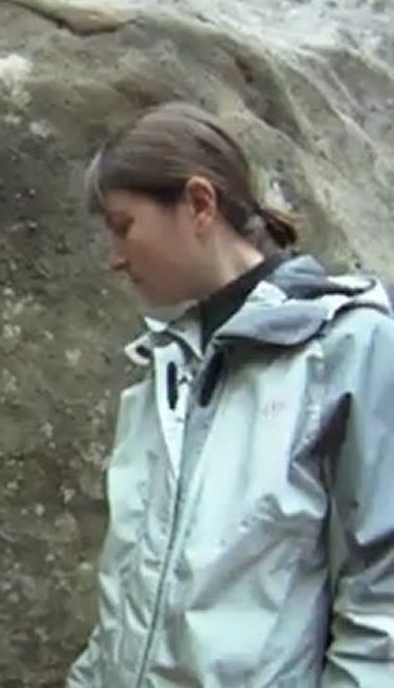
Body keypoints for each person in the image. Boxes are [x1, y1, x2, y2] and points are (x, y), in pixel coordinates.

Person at [68, 101, 394, 687]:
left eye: (124, 226)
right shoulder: (162, 371)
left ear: (199, 204)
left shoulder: (348, 349)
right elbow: (126, 603)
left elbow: (383, 594)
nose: (114, 258)